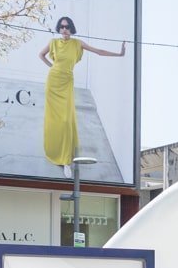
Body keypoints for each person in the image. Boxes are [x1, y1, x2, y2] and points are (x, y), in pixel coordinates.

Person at [39, 16, 126, 177]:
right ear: (59, 29)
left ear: (71, 29)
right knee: (54, 119)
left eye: (67, 27)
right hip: (53, 81)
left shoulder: (77, 44)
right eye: (62, 27)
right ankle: (55, 152)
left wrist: (119, 54)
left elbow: (98, 51)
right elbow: (41, 55)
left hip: (67, 81)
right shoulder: (53, 42)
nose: (64, 29)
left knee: (66, 120)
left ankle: (66, 160)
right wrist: (53, 67)